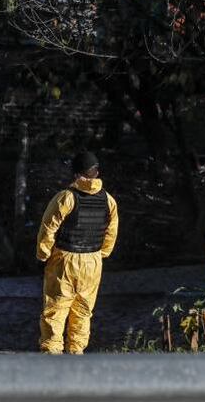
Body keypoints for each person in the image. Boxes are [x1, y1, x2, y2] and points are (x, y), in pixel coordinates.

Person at [36, 151, 119, 354]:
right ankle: (76, 353)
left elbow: (48, 227)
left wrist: (43, 254)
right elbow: (111, 232)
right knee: (83, 311)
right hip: (93, 261)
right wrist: (102, 253)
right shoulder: (108, 200)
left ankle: (52, 355)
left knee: (56, 310)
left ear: (75, 174)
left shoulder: (65, 198)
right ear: (97, 172)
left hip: (65, 260)